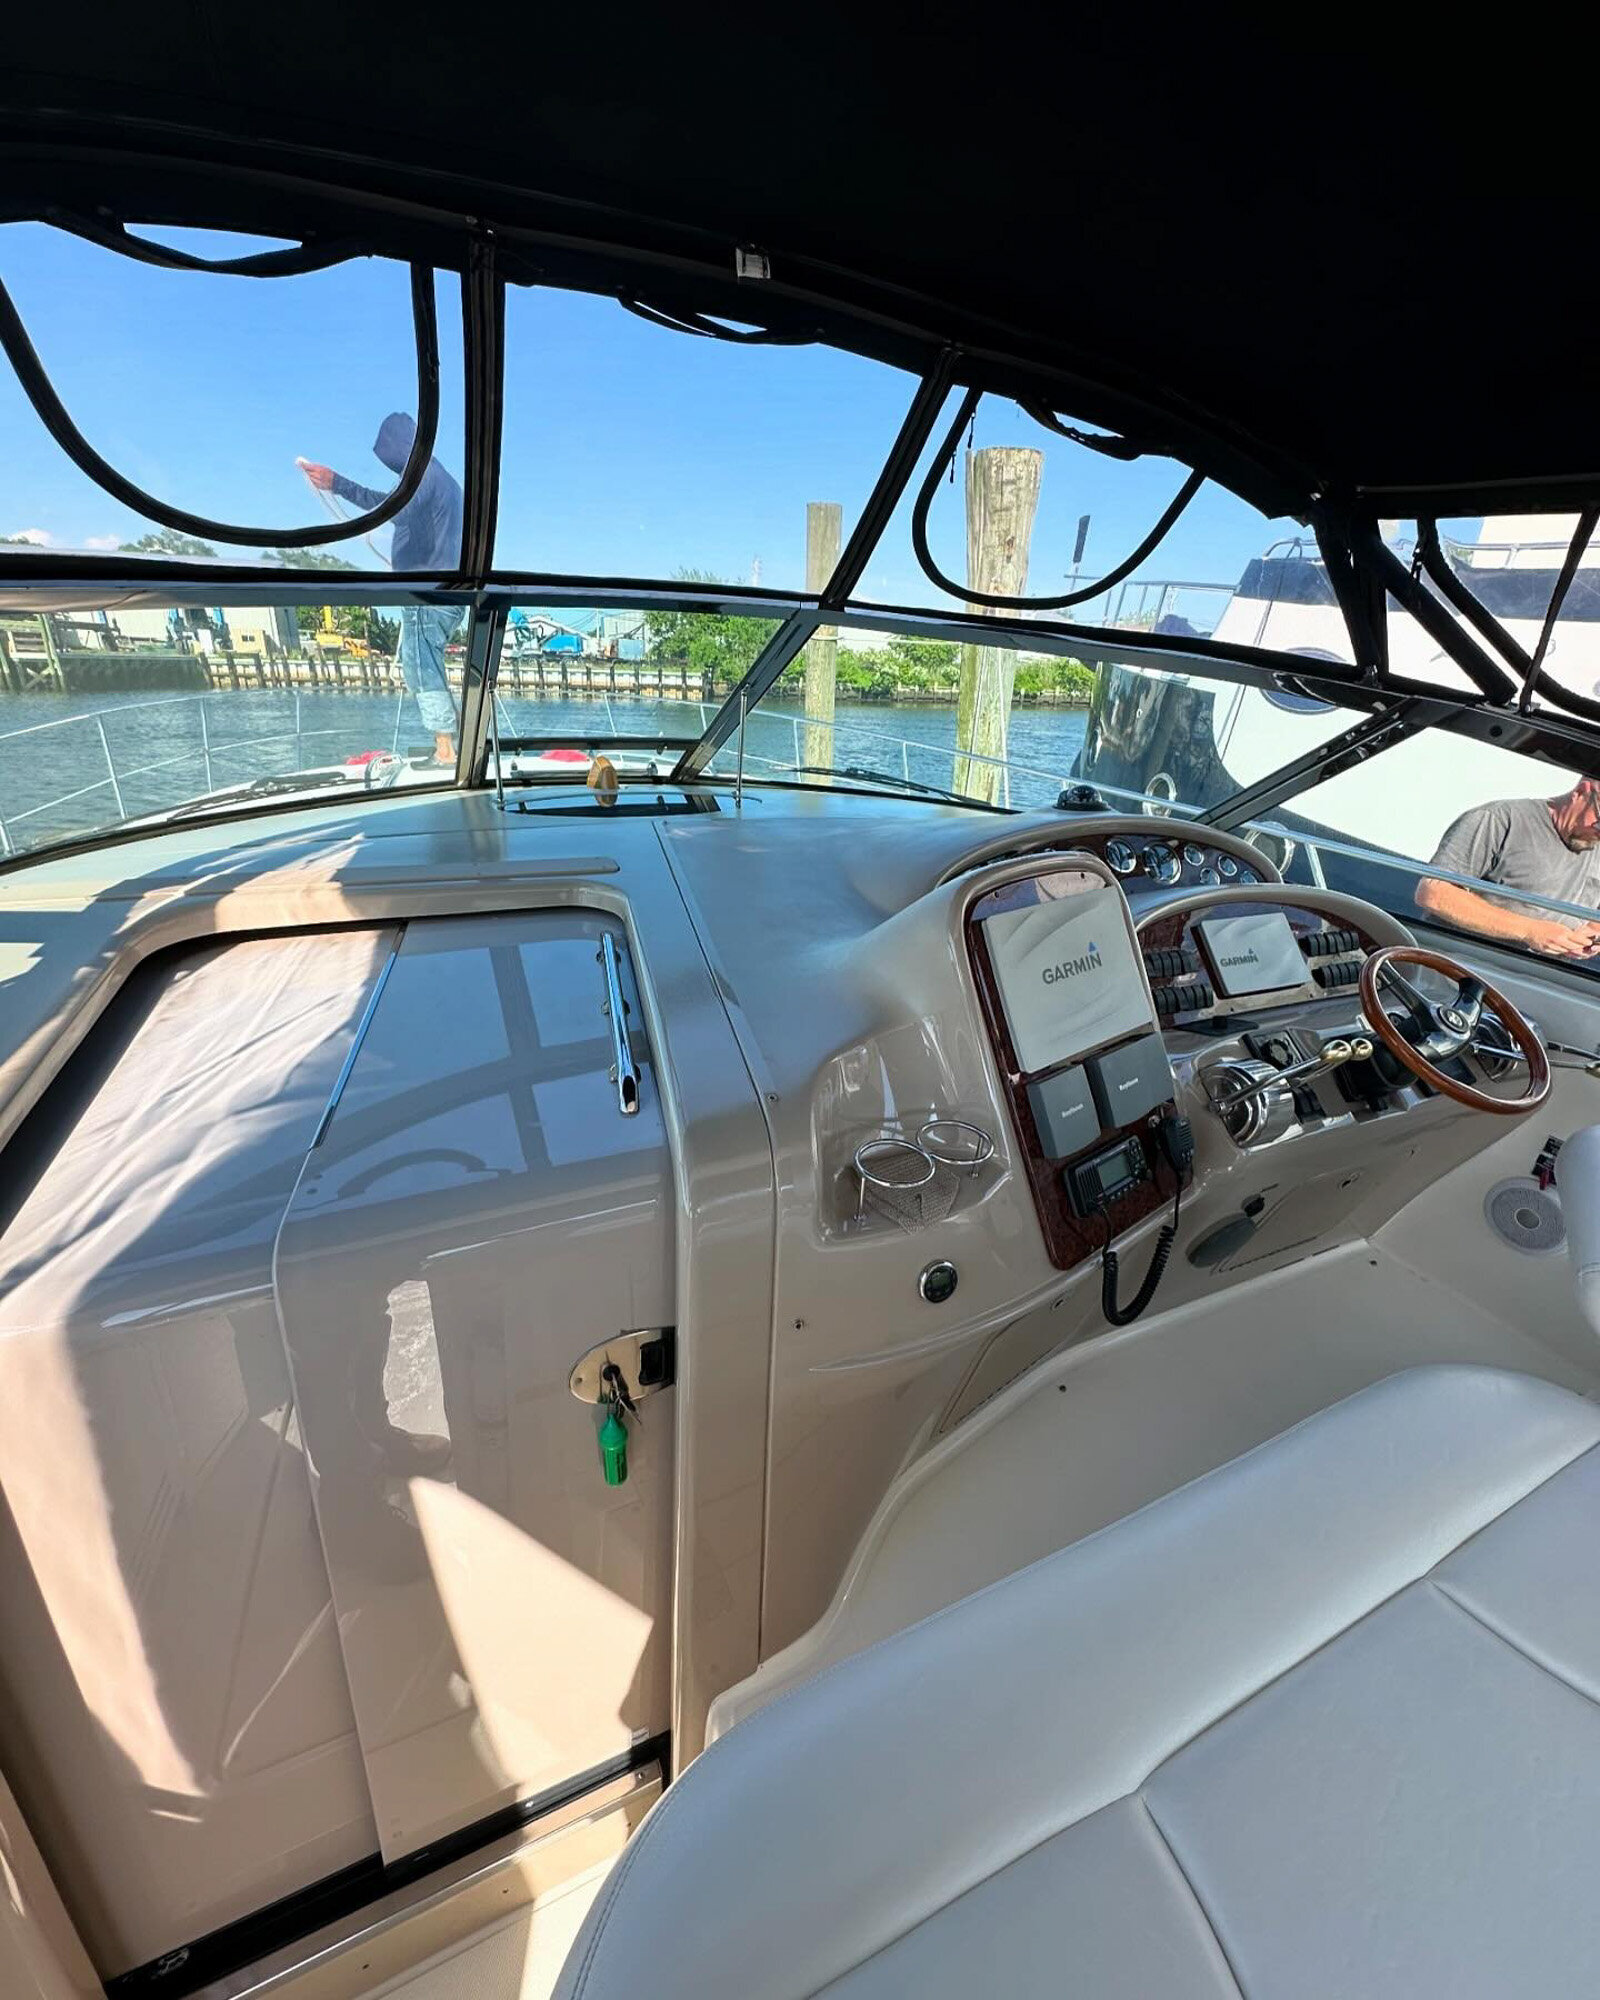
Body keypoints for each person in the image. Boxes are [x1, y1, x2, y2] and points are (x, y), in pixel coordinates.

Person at [297, 413, 464, 764]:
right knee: (417, 662)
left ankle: (447, 751)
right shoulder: (446, 480)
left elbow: (393, 510)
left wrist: (337, 483)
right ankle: (453, 745)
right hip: (444, 593)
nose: (395, 471)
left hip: (427, 595)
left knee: (423, 667)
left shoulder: (426, 477)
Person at [1416, 778, 1600, 957]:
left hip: (1544, 978)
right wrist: (1530, 930)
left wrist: (1590, 935)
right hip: (1459, 965)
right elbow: (1434, 894)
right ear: (1581, 792)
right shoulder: (1500, 819)